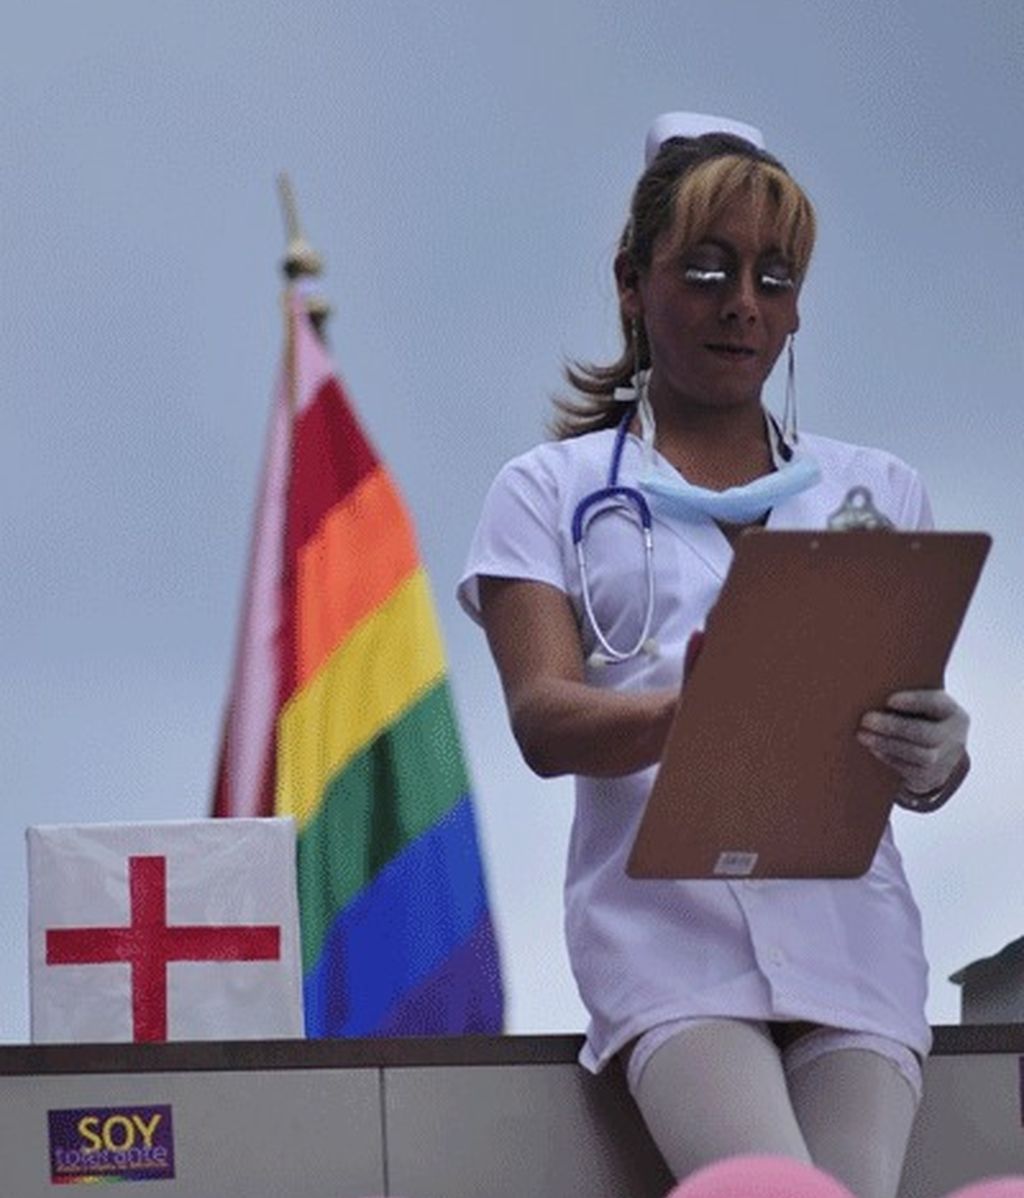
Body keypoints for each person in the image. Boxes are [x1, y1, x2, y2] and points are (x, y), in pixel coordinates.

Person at [456, 112, 971, 1198]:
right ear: (631, 286)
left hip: (851, 937)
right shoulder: (546, 494)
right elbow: (543, 719)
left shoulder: (874, 494)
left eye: (773, 279)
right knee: (770, 1192)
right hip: (669, 943)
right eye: (704, 269)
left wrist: (937, 754)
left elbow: (899, 719)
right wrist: (692, 714)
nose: (743, 302)